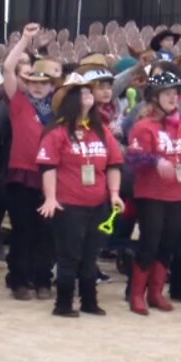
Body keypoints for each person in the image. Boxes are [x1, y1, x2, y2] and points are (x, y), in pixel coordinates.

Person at [35, 74, 125, 318]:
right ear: (72, 100)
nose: (89, 96)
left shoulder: (102, 131)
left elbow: (114, 164)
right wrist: (50, 197)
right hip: (69, 204)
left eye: (89, 92)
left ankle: (89, 301)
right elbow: (48, 167)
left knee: (90, 255)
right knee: (69, 255)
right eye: (83, 93)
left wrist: (114, 194)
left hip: (98, 203)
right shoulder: (57, 132)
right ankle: (63, 303)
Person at [126, 70, 181, 316]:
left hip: (177, 192)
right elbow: (134, 156)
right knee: (149, 242)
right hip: (150, 193)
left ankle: (155, 293)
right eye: (167, 93)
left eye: (175, 93)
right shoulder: (144, 126)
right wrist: (155, 162)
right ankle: (136, 295)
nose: (173, 97)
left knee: (168, 243)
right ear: (154, 97)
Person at [1, 23, 61, 301]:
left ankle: (43, 279)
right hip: (21, 175)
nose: (38, 87)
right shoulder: (18, 100)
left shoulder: (59, 109)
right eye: (34, 82)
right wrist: (26, 38)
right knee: (22, 230)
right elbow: (9, 66)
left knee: (46, 232)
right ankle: (19, 280)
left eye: (43, 83)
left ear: (51, 86)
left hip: (51, 176)